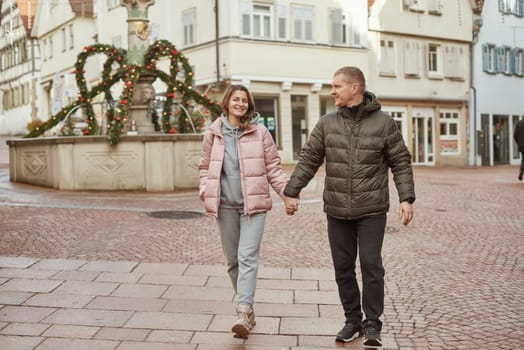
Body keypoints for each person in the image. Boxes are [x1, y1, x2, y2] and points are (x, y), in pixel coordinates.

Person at [283, 66, 415, 348]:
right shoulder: (327, 123)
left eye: (336, 86)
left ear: (354, 88)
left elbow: (401, 161)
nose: (332, 91)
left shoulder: (384, 123)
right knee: (343, 268)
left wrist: (406, 198)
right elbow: (309, 159)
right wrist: (292, 192)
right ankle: (352, 320)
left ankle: (372, 324)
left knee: (371, 265)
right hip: (337, 209)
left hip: (372, 209)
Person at [198, 84, 289, 339]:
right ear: (226, 103)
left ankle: (242, 309)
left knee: (247, 256)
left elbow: (273, 167)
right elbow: (204, 167)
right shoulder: (213, 134)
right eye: (236, 99)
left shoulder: (260, 133)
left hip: (254, 207)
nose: (241, 104)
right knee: (232, 261)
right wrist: (205, 189)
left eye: (245, 100)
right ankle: (247, 310)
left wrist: (287, 194)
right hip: (225, 206)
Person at [514, 117, 524, 181]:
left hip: (521, 146)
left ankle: (521, 171)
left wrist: (519, 143)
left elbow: (515, 135)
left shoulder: (518, 124)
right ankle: (521, 171)